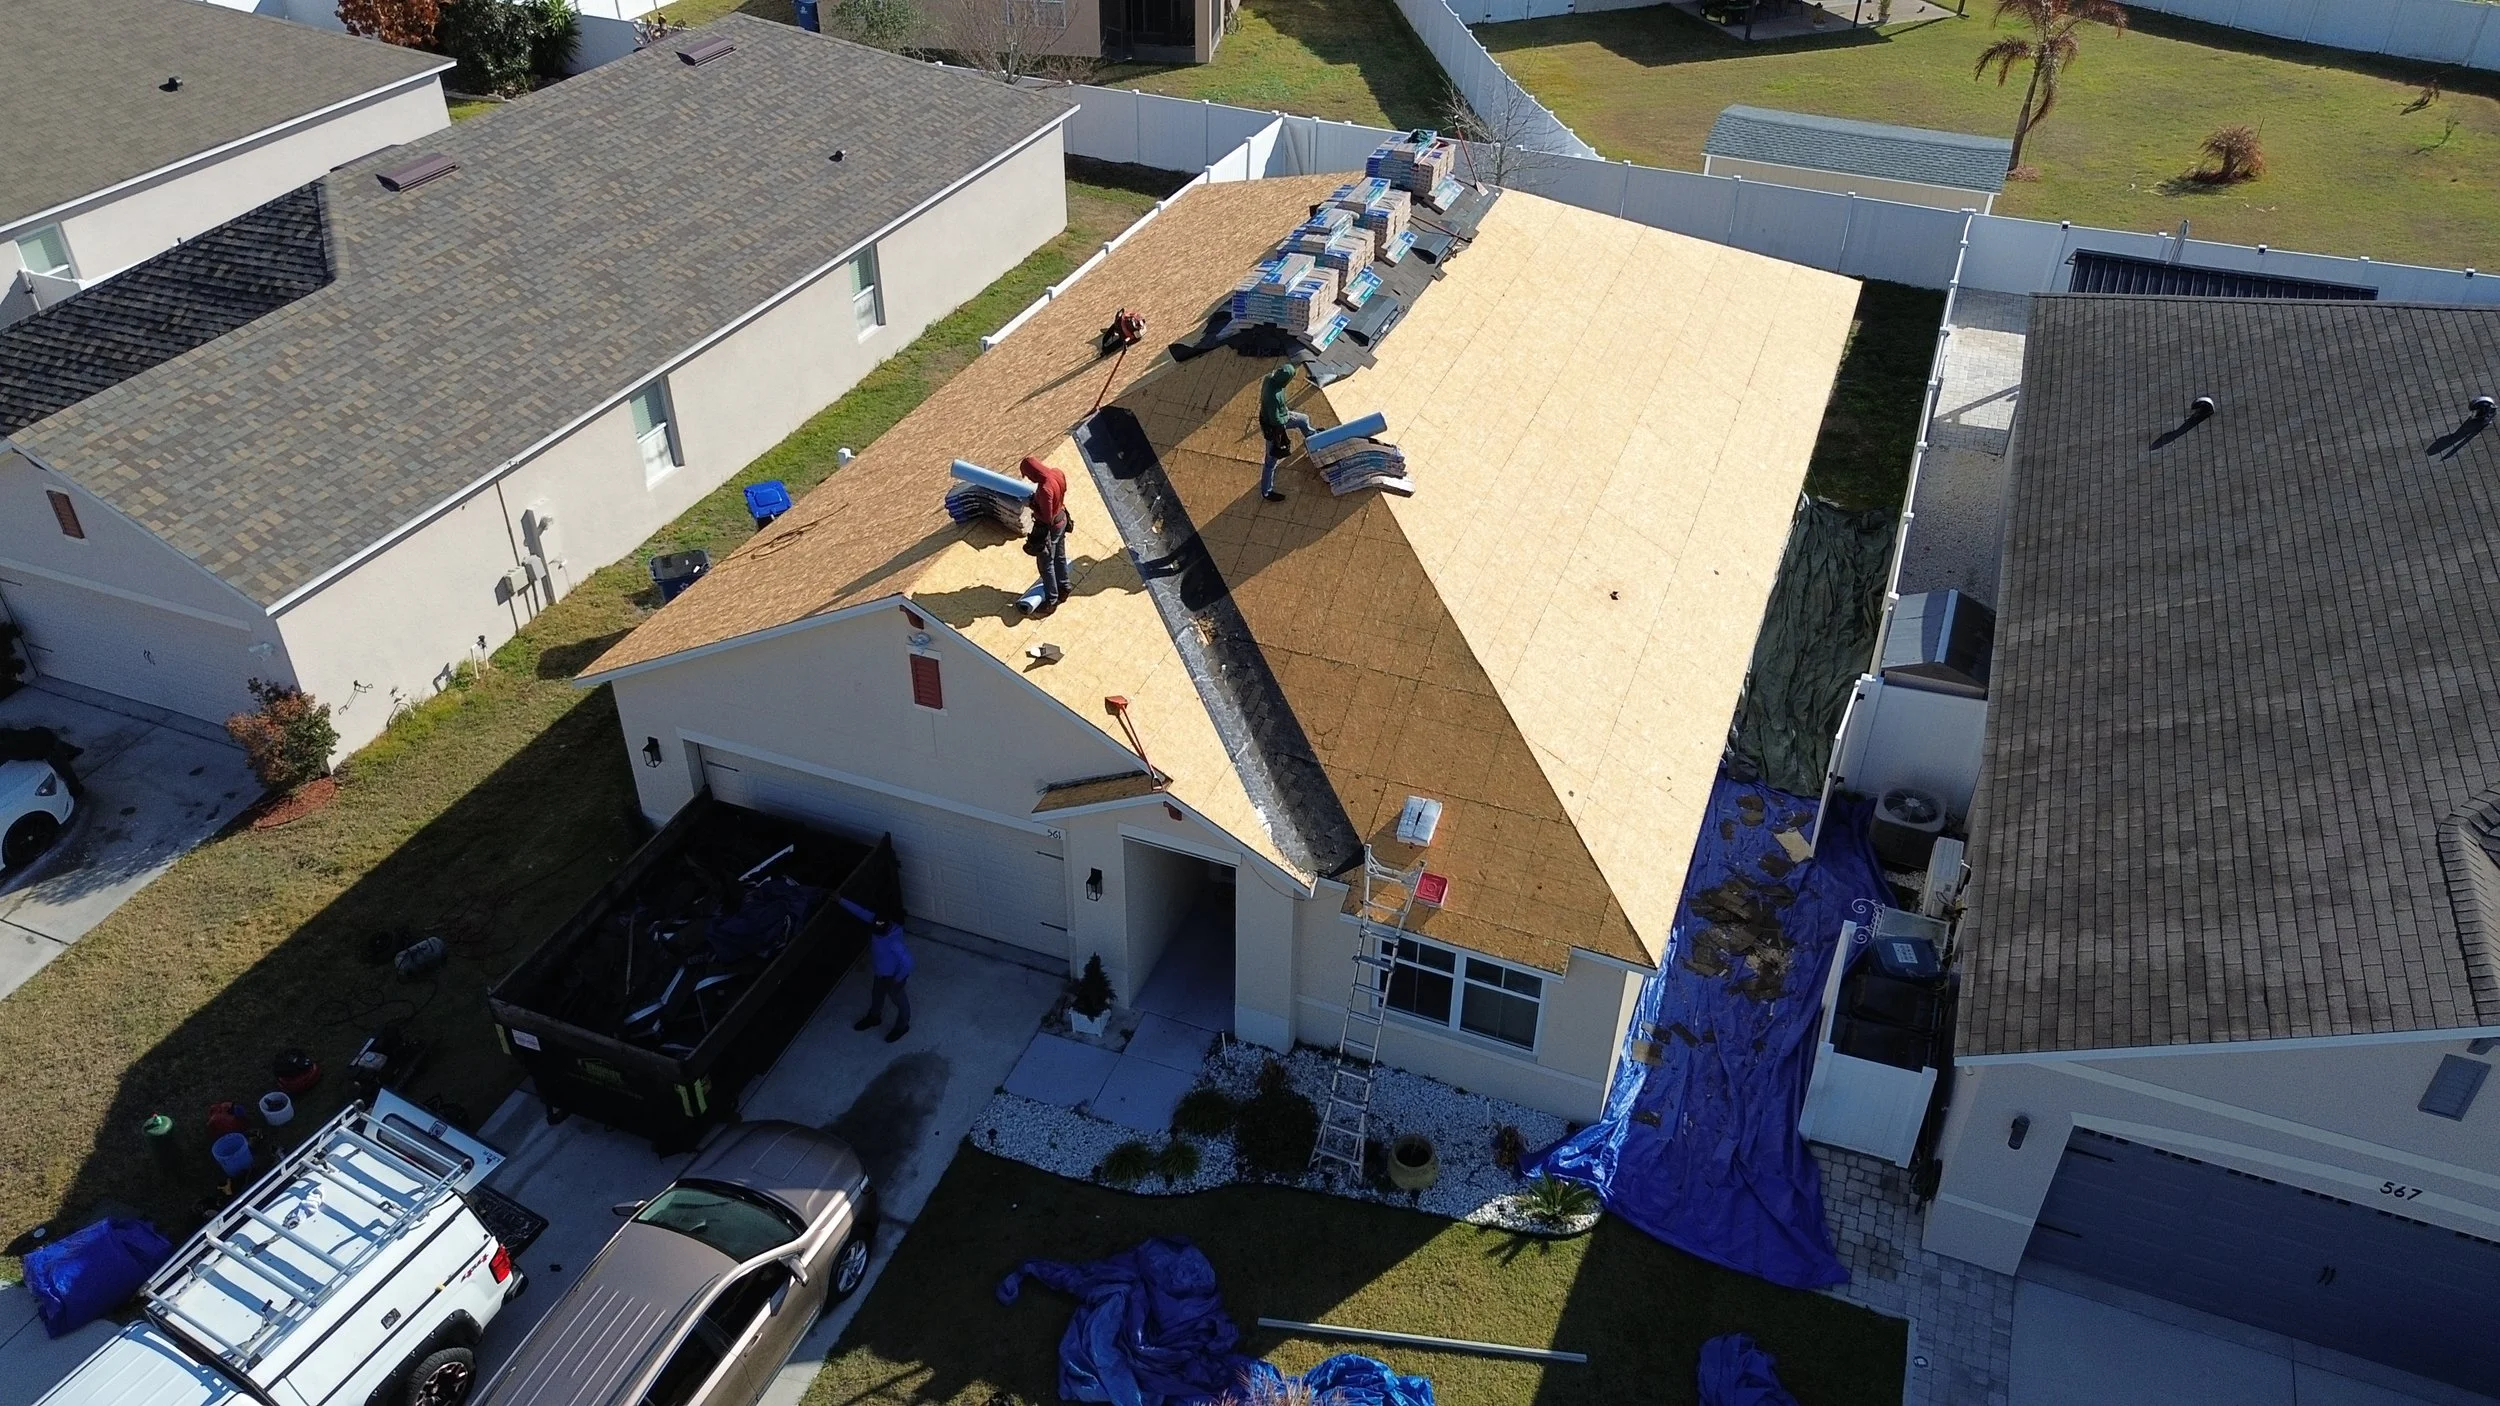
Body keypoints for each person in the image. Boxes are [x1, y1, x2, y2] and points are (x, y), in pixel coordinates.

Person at [840, 896, 914, 1043]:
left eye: (880, 932)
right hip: (880, 974)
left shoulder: (894, 942)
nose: (877, 933)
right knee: (877, 994)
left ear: (889, 925)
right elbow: (860, 912)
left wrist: (898, 980)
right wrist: (841, 900)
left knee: (900, 1003)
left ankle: (902, 1026)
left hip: (893, 978)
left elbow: (909, 962)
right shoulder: (878, 921)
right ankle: (874, 1017)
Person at [1016, 455, 1073, 617]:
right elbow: (1062, 493)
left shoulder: (1045, 489)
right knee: (1060, 556)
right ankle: (1064, 587)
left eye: (1028, 476)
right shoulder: (1057, 473)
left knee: (1046, 564)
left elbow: (1046, 517)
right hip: (1062, 518)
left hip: (1049, 528)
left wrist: (1032, 504)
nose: (1030, 479)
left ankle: (1051, 601)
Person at [1258, 362, 1314, 502]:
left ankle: (1311, 435)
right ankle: (1267, 491)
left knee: (1303, 419)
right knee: (1271, 461)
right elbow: (1277, 422)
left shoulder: (1269, 379)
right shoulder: (1274, 396)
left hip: (1281, 415)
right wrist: (1280, 440)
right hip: (1273, 427)